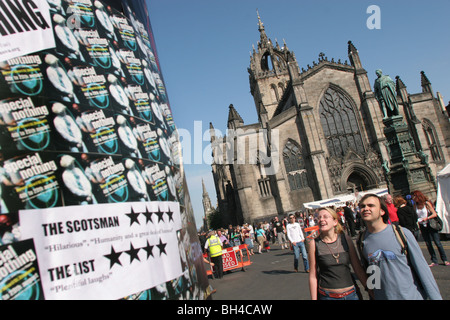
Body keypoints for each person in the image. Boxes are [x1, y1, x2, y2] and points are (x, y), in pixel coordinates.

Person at [358, 193, 442, 299]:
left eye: (371, 205)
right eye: (362, 206)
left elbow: (423, 271)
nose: (366, 208)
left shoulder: (402, 233)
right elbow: (372, 274)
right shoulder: (362, 240)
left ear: (382, 211)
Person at [308, 207, 369, 300]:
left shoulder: (346, 239)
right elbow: (313, 275)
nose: (321, 220)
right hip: (328, 296)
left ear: (335, 222)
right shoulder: (314, 244)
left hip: (351, 295)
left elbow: (357, 268)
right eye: (319, 218)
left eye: (325, 217)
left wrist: (369, 290)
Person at [412, 190, 449, 267]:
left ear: (417, 196)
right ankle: (434, 260)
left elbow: (434, 214)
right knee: (428, 244)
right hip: (422, 225)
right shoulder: (415, 205)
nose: (412, 198)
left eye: (413, 196)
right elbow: (416, 215)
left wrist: (427, 218)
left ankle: (445, 259)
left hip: (430, 225)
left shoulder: (426, 203)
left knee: (437, 242)